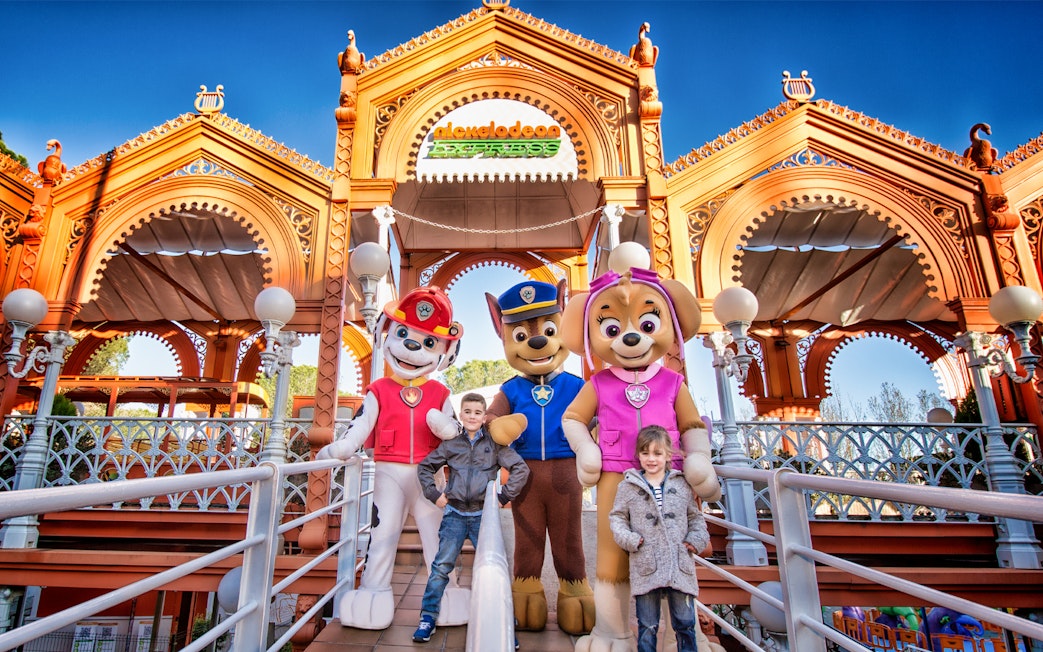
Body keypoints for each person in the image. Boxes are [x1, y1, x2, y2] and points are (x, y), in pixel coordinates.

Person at [412, 393, 530, 644]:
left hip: (483, 517)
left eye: (478, 412)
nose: (472, 416)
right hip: (454, 514)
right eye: (468, 412)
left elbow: (521, 468)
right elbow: (425, 467)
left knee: (494, 570)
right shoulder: (451, 444)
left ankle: (505, 623)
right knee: (441, 567)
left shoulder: (494, 445)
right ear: (462, 415)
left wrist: (503, 497)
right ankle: (427, 617)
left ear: (484, 417)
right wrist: (434, 495)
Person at [608, 424, 711, 652]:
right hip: (646, 561)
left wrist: (695, 539)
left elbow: (695, 517)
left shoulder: (681, 484)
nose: (651, 459)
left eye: (657, 453)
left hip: (679, 561)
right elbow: (617, 518)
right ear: (638, 455)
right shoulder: (628, 486)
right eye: (645, 453)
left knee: (685, 623)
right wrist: (630, 539)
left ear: (668, 455)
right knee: (647, 624)